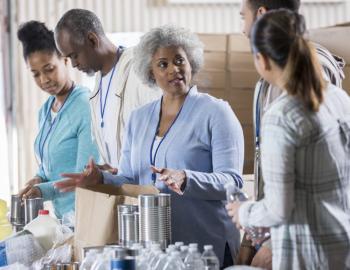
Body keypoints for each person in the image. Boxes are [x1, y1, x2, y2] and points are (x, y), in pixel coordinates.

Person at [55, 25, 245, 267]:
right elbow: (131, 179)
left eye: (179, 60)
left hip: (206, 248)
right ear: (150, 72)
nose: (174, 69)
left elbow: (233, 182)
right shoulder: (139, 118)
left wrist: (186, 178)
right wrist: (100, 179)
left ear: (191, 63)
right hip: (158, 252)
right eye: (163, 64)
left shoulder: (216, 112)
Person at [227, 9, 350, 269]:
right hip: (342, 246)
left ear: (262, 59)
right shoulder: (338, 99)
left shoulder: (282, 116)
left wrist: (244, 212)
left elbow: (278, 208)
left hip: (306, 255)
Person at [54, 9, 161, 170]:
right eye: (69, 58)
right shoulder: (98, 85)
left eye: (75, 55)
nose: (74, 64)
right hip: (124, 189)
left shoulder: (140, 72)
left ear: (92, 40)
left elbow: (162, 138)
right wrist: (107, 172)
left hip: (149, 190)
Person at [17, 21, 99, 218]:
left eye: (49, 69)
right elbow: (50, 168)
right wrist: (38, 179)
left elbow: (85, 176)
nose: (44, 79)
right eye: (36, 74)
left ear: (64, 59)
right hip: (64, 219)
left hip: (87, 217)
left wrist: (43, 191)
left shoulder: (85, 105)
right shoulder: (45, 112)